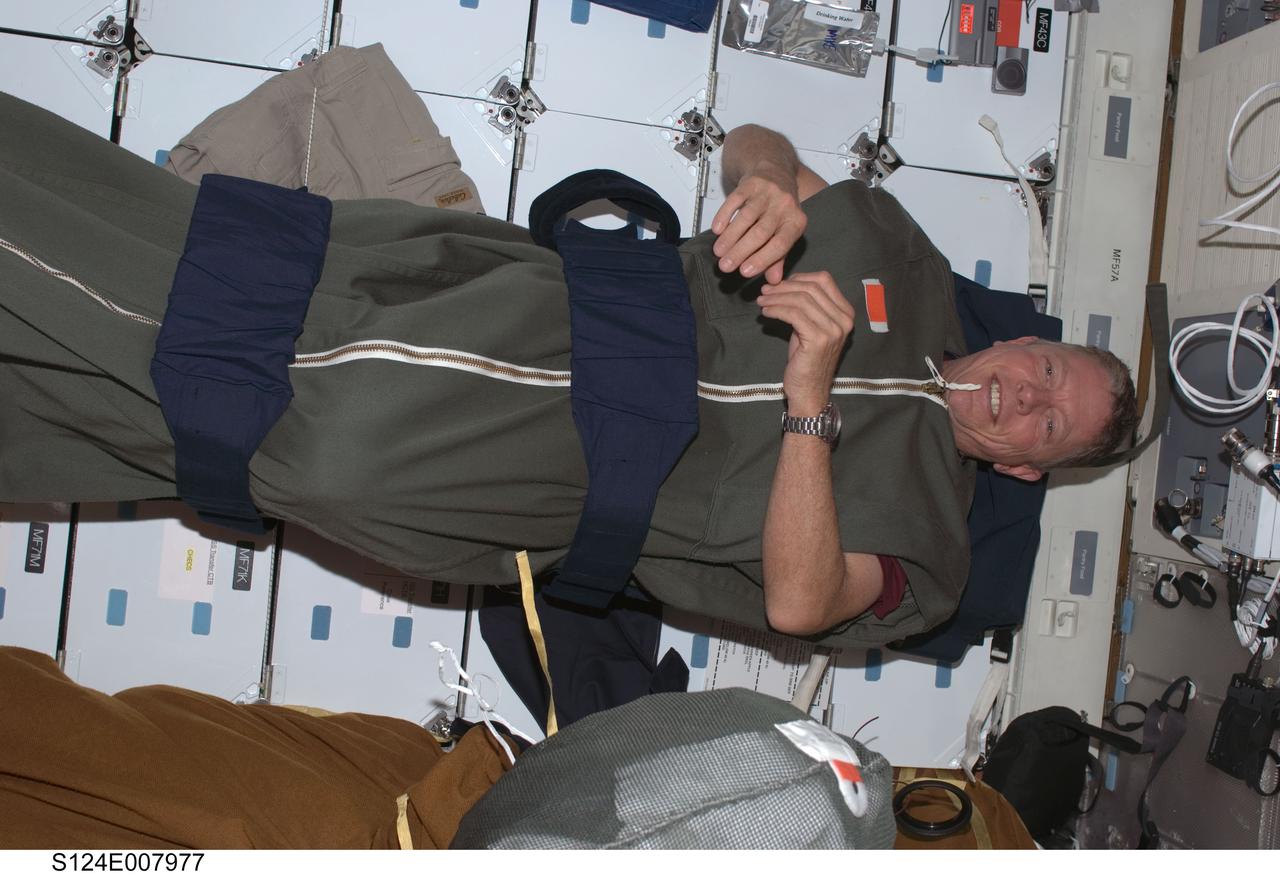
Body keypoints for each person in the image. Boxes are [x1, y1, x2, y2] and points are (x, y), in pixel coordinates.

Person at [0, 92, 1137, 648]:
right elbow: (756, 145)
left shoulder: (929, 558)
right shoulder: (902, 256)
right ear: (1024, 338)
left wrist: (809, 410)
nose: (1027, 395)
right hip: (527, 297)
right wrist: (765, 182)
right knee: (216, 270)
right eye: (1046, 367)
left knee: (222, 392)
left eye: (1049, 424)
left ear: (1027, 471)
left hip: (551, 472)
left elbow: (801, 601)